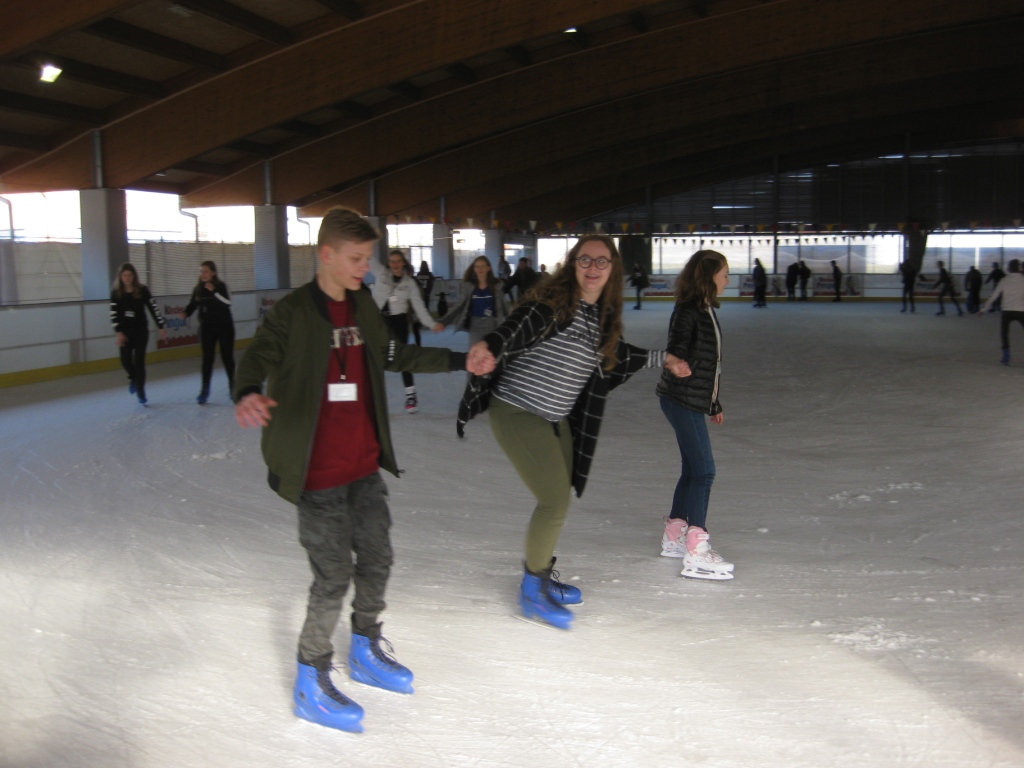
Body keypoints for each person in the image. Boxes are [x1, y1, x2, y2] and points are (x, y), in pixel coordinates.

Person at [233, 208, 490, 733]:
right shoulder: (292, 313)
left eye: (367, 259)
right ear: (325, 255)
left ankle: (366, 648)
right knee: (332, 578)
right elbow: (257, 356)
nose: (366, 269)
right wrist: (247, 392)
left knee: (377, 559)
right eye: (356, 259)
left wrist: (458, 361)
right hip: (318, 473)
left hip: (363, 465)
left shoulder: (363, 308)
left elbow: (393, 353)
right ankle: (311, 678)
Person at [457, 235, 688, 630]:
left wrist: (661, 359)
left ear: (613, 268)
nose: (593, 268)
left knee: (559, 495)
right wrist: (493, 342)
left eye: (602, 261)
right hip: (517, 410)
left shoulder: (600, 319)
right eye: (585, 259)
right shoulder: (554, 304)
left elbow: (616, 357)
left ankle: (541, 573)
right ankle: (531, 593)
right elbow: (520, 322)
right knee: (553, 502)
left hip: (555, 417)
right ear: (573, 263)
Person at [657, 250, 734, 581]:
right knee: (705, 472)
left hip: (690, 398)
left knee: (693, 469)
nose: (727, 280)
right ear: (709, 275)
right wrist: (675, 360)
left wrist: (713, 403)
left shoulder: (705, 309)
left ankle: (674, 535)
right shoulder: (688, 310)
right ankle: (696, 549)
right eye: (724, 274)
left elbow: (711, 365)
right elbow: (675, 347)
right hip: (680, 398)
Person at [368, 249, 444, 413]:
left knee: (402, 356)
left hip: (398, 323)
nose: (395, 264)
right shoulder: (381, 274)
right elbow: (369, 257)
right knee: (375, 357)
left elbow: (419, 306)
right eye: (392, 261)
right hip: (379, 321)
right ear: (388, 263)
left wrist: (431, 324)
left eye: (398, 261)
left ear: (403, 263)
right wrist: (360, 240)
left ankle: (411, 395)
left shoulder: (409, 283)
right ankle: (373, 397)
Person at [109, 262, 167, 405]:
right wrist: (118, 332)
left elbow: (153, 308)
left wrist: (161, 326)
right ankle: (134, 378)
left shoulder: (142, 290)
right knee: (125, 361)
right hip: (125, 332)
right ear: (120, 277)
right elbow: (114, 314)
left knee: (140, 362)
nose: (127, 278)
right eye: (124, 275)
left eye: (130, 275)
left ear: (134, 276)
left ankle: (141, 391)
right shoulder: (116, 293)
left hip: (141, 330)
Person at [181, 260, 235, 404]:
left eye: (206, 271)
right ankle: (204, 390)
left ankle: (233, 387)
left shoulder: (221, 286)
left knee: (227, 358)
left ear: (213, 273)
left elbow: (228, 302)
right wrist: (186, 313)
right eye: (201, 271)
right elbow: (193, 304)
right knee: (207, 360)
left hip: (224, 327)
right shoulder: (198, 289)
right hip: (207, 329)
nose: (203, 274)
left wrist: (215, 291)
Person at [438, 256, 509, 349]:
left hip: (492, 325)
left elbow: (504, 307)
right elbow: (458, 306)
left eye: (483, 266)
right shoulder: (468, 286)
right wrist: (444, 321)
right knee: (474, 355)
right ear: (474, 269)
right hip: (475, 326)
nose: (480, 269)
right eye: (477, 266)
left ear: (488, 268)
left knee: (492, 356)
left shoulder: (497, 286)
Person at [979, 258, 1024, 365]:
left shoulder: (1004, 280)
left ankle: (1006, 357)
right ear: (1019, 268)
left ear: (1009, 268)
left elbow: (994, 296)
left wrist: (983, 309)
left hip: (1007, 311)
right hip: (1021, 311)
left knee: (1004, 334)